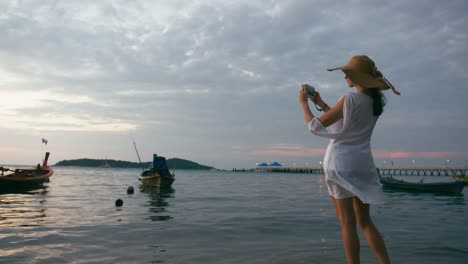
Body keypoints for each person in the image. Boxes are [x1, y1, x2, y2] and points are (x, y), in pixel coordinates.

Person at [298, 55, 400, 264]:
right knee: (365, 222)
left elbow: (315, 127)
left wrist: (304, 104)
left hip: (340, 165)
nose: (345, 77)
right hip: (362, 165)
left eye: (348, 74)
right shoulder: (373, 104)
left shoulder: (349, 99)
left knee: (347, 223)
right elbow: (343, 126)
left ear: (357, 77)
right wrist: (322, 104)